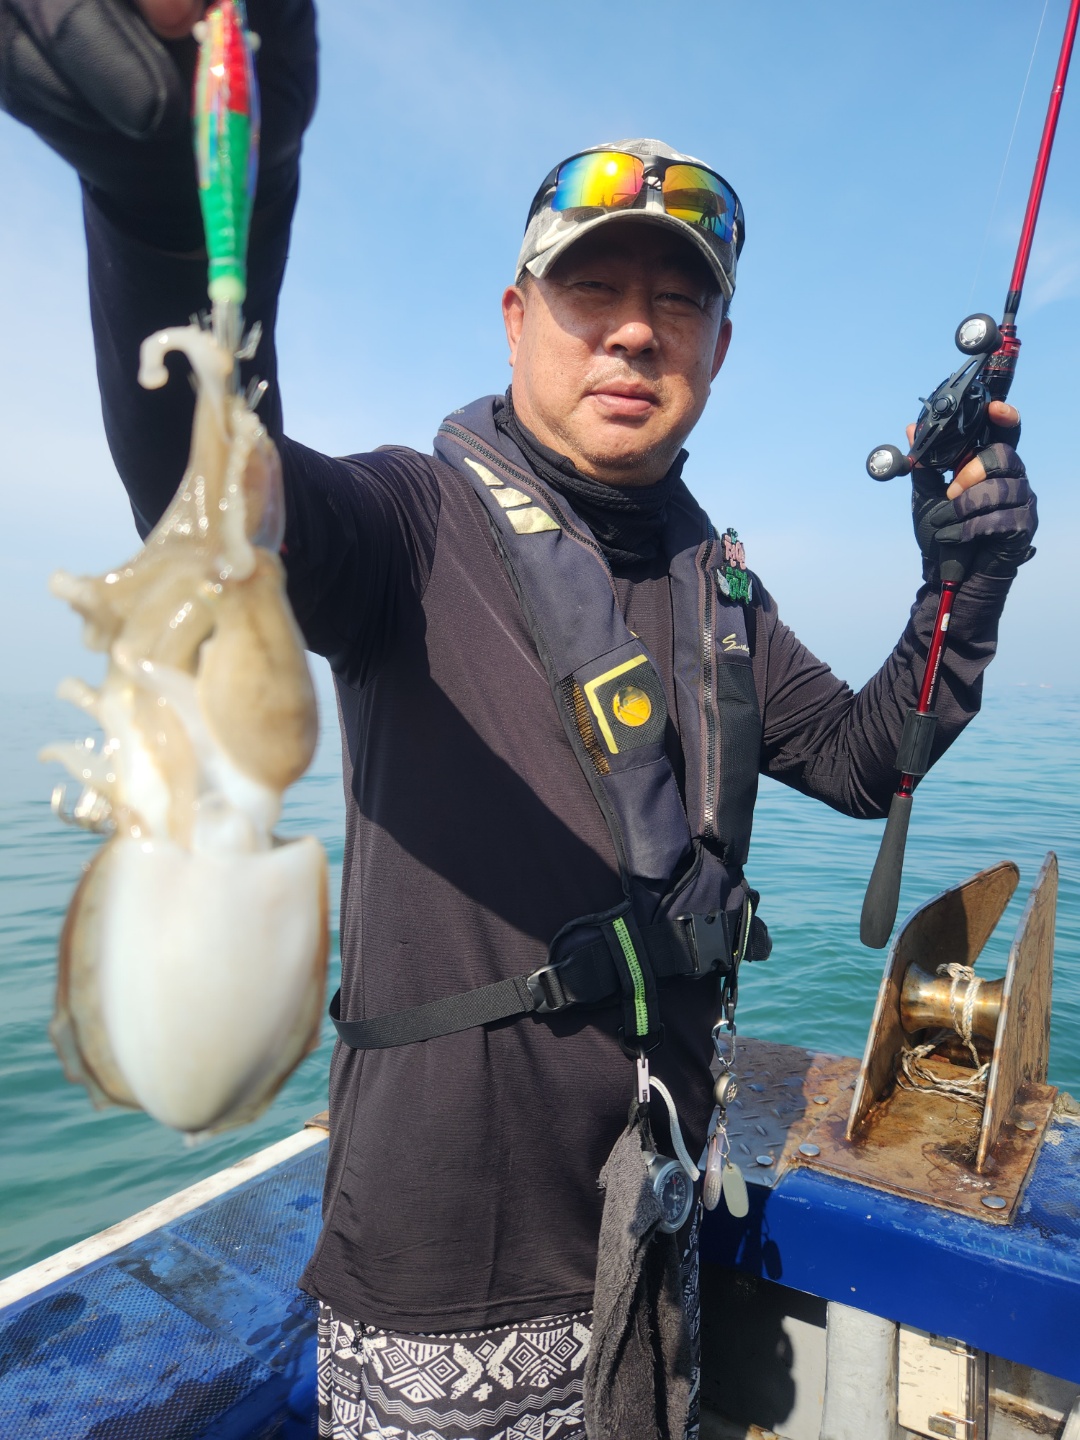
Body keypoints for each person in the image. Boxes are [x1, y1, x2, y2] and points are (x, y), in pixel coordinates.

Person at [0, 3, 1038, 1438]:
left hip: (652, 1231)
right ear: (514, 316)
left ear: (720, 348)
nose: (633, 328)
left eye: (676, 303)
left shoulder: (721, 587)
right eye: (589, 288)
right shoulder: (407, 525)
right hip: (443, 1287)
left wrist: (962, 588)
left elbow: (869, 762)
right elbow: (210, 492)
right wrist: (161, 225)